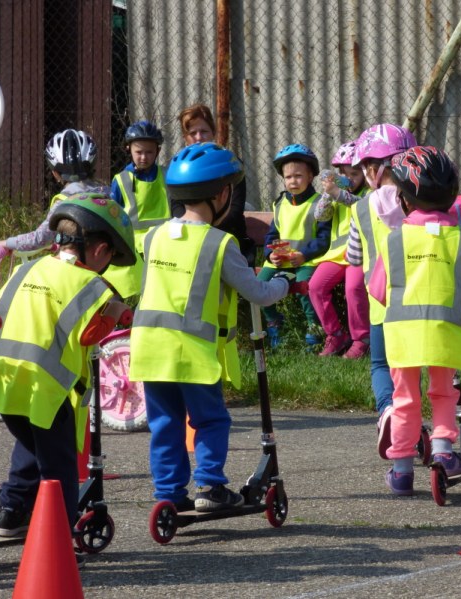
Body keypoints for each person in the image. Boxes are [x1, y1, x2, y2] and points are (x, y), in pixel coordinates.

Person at [129, 142, 292, 512]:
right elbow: (257, 292)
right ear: (221, 195)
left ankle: (169, 494)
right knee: (211, 419)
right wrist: (283, 282)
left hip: (149, 347)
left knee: (165, 423)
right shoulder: (220, 243)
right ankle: (210, 486)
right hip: (192, 351)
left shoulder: (153, 237)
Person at [0, 192, 136, 537]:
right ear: (100, 250)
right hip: (45, 386)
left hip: (2, 378)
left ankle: (12, 512)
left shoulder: (27, 268)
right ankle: (59, 535)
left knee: (30, 447)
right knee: (59, 465)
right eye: (110, 256)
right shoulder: (89, 283)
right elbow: (90, 334)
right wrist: (115, 313)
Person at [367, 146, 461, 494]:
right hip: (447, 334)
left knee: (404, 398)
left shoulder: (394, 242)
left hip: (402, 336)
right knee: (443, 394)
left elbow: (377, 291)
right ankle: (443, 452)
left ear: (405, 201)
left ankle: (401, 471)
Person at [344, 123, 416, 456]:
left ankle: (388, 409)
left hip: (381, 305)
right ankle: (420, 421)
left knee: (381, 366)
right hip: (418, 301)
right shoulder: (417, 202)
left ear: (375, 169)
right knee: (414, 368)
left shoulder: (360, 208)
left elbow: (354, 257)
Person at [256, 143, 331, 348]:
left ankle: (313, 328)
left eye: (298, 176)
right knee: (257, 286)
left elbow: (323, 238)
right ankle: (274, 321)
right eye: (288, 177)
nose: (293, 181)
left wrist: (304, 255)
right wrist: (270, 255)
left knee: (305, 288)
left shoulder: (320, 203)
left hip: (307, 260)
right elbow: (272, 234)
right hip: (281, 260)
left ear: (311, 176)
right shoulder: (280, 203)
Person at [0, 129, 108, 258]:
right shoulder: (107, 194)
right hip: (112, 264)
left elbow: (40, 238)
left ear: (55, 173)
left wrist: (7, 243)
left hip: (79, 266)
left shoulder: (64, 201)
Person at [309, 140, 371, 358]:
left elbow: (359, 205)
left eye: (354, 174)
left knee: (353, 288)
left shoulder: (369, 193)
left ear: (365, 173)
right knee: (316, 286)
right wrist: (328, 194)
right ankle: (335, 335)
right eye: (344, 174)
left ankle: (362, 339)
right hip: (336, 255)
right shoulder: (337, 193)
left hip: (359, 255)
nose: (349, 179)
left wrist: (337, 193)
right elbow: (320, 216)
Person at [177, 103, 255, 264]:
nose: (199, 137)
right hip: (191, 242)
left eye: (204, 131)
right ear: (185, 137)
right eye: (193, 133)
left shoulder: (231, 165)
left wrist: (205, 231)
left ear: (213, 133)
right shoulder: (180, 169)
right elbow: (176, 209)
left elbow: (234, 211)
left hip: (228, 242)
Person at [106, 120, 170, 298]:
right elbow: (114, 214)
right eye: (139, 152)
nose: (144, 157)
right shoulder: (121, 180)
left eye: (149, 152)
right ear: (129, 150)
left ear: (158, 151)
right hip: (133, 247)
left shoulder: (166, 176)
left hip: (163, 243)